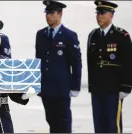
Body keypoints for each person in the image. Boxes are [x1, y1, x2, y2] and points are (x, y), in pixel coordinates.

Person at [35, 0, 82, 133]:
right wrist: (37, 83)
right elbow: (38, 61)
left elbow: (76, 62)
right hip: (46, 87)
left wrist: (75, 86)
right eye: (47, 12)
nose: (48, 16)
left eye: (51, 12)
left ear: (60, 14)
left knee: (63, 122)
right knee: (51, 120)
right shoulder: (41, 34)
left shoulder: (69, 35)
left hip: (62, 88)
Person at [87, 0, 132, 133]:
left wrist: (126, 87)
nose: (99, 16)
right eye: (98, 13)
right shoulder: (93, 35)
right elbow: (91, 63)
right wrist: (91, 87)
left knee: (113, 125)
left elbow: (128, 62)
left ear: (111, 15)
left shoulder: (121, 35)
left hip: (114, 89)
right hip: (97, 89)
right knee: (99, 125)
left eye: (103, 13)